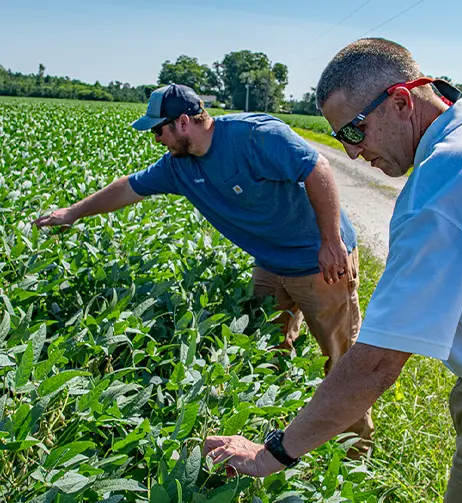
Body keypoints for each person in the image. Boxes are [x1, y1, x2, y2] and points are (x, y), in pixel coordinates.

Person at [203, 37, 462, 503]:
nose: (352, 153)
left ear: (401, 101)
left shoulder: (441, 188)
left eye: (354, 132)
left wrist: (270, 455)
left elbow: (376, 363)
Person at [33, 83, 374, 446]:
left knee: (341, 361)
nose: (155, 139)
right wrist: (73, 213)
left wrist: (331, 242)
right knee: (263, 344)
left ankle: (355, 451)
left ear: (182, 122)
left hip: (319, 261)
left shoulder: (254, 136)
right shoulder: (178, 167)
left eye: (157, 130)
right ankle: (280, 433)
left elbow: (317, 169)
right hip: (271, 262)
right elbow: (128, 188)